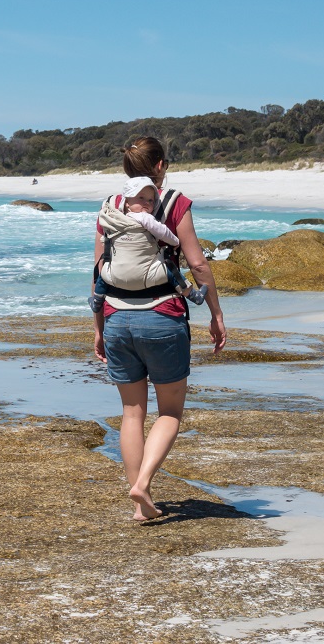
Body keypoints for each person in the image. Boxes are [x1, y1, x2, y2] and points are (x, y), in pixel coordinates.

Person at [92, 136, 226, 521]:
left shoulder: (110, 207)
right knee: (169, 411)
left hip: (117, 317)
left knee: (132, 413)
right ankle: (144, 484)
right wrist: (215, 314)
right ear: (161, 166)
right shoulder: (173, 202)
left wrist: (99, 327)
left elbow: (98, 269)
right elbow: (198, 264)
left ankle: (140, 508)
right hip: (163, 317)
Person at [89, 176, 207, 313]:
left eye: (151, 200)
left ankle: (97, 301)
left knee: (104, 274)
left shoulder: (114, 219)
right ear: (127, 202)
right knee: (171, 273)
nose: (146, 203)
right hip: (147, 276)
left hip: (117, 277)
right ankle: (192, 295)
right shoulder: (145, 217)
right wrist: (175, 242)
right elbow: (162, 232)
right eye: (141, 198)